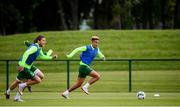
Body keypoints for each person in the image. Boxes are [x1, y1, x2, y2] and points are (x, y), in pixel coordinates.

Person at [6, 35, 58, 102]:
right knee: (36, 80)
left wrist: (51, 58)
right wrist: (21, 65)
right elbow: (26, 53)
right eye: (43, 40)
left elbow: (42, 57)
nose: (45, 42)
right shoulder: (34, 47)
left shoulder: (39, 48)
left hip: (29, 66)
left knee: (40, 76)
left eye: (45, 40)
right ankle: (19, 91)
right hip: (24, 66)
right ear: (38, 41)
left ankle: (10, 92)